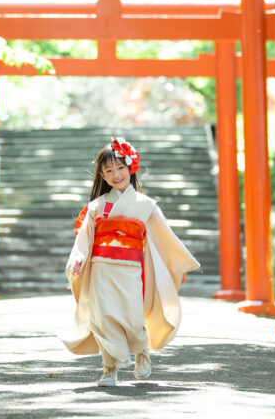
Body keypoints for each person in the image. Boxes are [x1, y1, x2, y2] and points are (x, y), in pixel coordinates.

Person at [62, 137, 200, 386]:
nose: (116, 174)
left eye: (120, 168)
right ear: (103, 177)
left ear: (130, 168)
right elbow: (85, 238)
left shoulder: (146, 206)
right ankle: (109, 369)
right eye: (109, 171)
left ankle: (142, 352)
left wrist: (175, 265)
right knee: (103, 317)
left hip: (132, 269)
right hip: (102, 269)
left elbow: (164, 238)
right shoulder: (97, 207)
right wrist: (79, 259)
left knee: (133, 317)